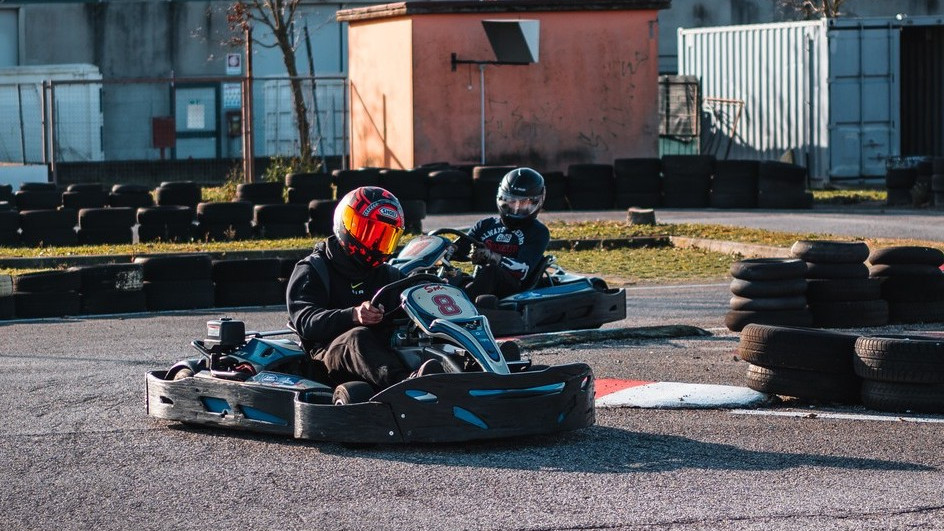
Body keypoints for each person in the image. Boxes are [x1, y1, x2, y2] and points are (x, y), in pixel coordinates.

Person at [286, 186, 443, 390]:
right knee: (358, 337)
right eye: (371, 233)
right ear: (348, 226)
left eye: (384, 237)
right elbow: (306, 322)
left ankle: (472, 372)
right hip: (326, 358)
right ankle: (408, 386)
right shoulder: (314, 269)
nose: (377, 243)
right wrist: (352, 315)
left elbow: (415, 293)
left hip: (382, 351)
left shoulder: (386, 273)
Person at [455, 167, 551, 301]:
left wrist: (493, 257)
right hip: (482, 285)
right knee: (451, 278)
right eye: (512, 201)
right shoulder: (484, 225)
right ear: (502, 198)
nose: (516, 208)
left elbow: (522, 271)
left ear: (536, 202)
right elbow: (458, 250)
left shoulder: (538, 232)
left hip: (514, 291)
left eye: (523, 203)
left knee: (491, 271)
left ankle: (462, 305)